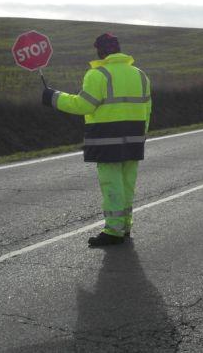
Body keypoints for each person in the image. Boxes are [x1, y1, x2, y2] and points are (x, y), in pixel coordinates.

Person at [42, 33, 152, 247]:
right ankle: (124, 226)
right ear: (119, 49)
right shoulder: (140, 75)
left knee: (112, 184)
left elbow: (84, 106)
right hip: (135, 137)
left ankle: (113, 231)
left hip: (107, 139)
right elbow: (148, 109)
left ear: (100, 51)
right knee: (127, 184)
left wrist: (53, 98)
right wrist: (142, 136)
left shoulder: (97, 74)